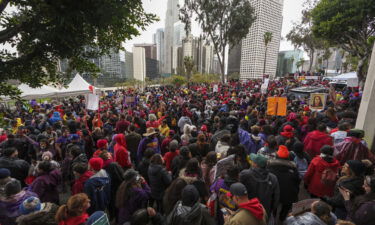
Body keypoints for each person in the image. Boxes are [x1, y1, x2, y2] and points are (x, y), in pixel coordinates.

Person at [239, 153, 280, 220]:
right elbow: (276, 197)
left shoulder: (245, 174)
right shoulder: (273, 178)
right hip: (265, 212)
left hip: (248, 212)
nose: (251, 162)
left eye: (253, 161)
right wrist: (270, 209)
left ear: (255, 164)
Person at [268, 145, 300, 222]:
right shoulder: (293, 167)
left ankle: (274, 217)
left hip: (274, 192)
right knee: (285, 207)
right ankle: (282, 218)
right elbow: (297, 181)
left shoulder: (270, 166)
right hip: (288, 193)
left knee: (273, 206)